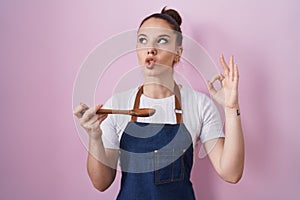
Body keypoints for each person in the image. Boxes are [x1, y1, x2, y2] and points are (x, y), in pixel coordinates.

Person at [73, 7, 244, 200]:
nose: (150, 48)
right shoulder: (118, 103)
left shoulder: (199, 104)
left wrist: (231, 109)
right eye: (143, 40)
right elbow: (101, 183)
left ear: (178, 53)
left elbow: (231, 173)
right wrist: (94, 137)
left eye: (162, 40)